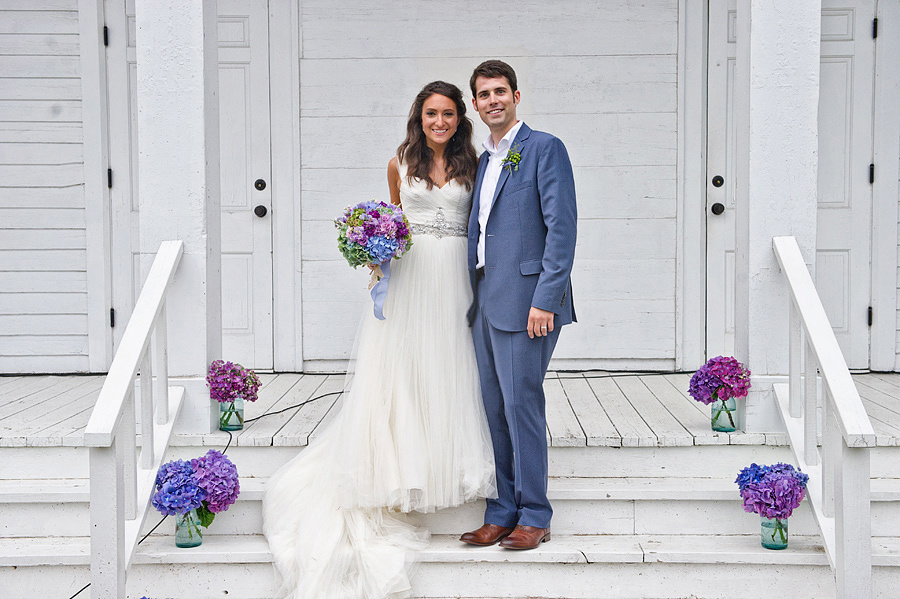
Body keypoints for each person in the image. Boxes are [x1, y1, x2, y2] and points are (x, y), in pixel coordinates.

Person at [262, 81, 496, 599]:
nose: (440, 121)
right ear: (420, 116)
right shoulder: (400, 163)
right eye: (432, 113)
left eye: (450, 114)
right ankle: (403, 467)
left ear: (461, 119)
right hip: (411, 280)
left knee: (450, 365)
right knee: (403, 369)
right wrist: (374, 249)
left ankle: (446, 462)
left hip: (453, 277)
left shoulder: (473, 165)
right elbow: (393, 219)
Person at [460, 60, 577, 550]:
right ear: (475, 104)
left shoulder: (543, 148)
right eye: (484, 94)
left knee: (520, 404)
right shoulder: (483, 159)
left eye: (500, 91)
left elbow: (562, 228)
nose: (493, 101)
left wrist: (545, 298)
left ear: (517, 95)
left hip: (530, 302)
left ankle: (535, 514)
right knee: (493, 407)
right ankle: (502, 509)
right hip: (485, 297)